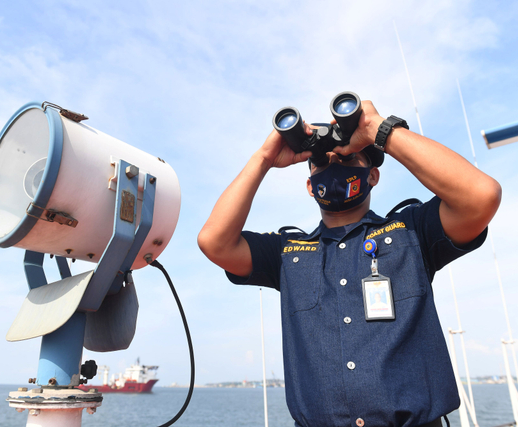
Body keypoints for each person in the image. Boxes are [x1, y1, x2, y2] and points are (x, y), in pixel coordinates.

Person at [197, 99, 501, 427]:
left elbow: (481, 196)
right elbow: (215, 242)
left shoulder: (411, 232)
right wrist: (263, 159)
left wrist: (380, 131)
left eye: (346, 156)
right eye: (321, 162)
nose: (334, 163)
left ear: (372, 176)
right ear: (311, 186)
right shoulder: (287, 253)